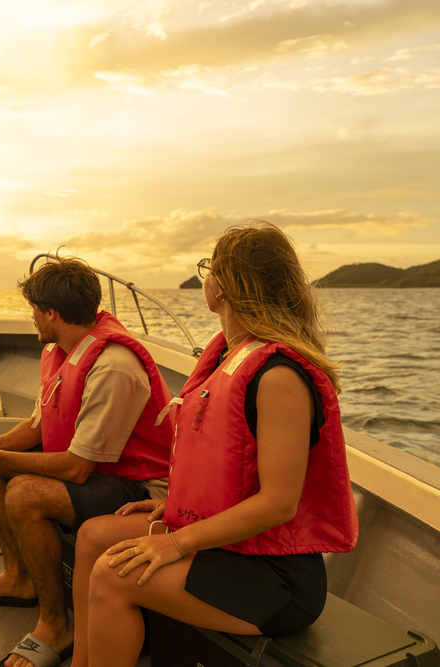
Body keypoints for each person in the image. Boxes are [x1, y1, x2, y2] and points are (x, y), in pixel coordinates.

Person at [69, 221, 359, 667]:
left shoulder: (278, 375)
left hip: (277, 578)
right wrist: (178, 505)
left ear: (224, 285)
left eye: (208, 267)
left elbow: (279, 504)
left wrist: (178, 542)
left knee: (113, 575)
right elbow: (226, 467)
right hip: (230, 546)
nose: (206, 278)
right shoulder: (229, 355)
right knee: (94, 537)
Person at [0, 255, 175, 667]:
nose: (32, 318)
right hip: (99, 468)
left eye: (34, 310)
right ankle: (19, 578)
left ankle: (56, 624)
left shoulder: (113, 366)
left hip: (140, 483)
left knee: (24, 494)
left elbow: (76, 469)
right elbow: (37, 427)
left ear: (51, 313)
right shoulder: (64, 350)